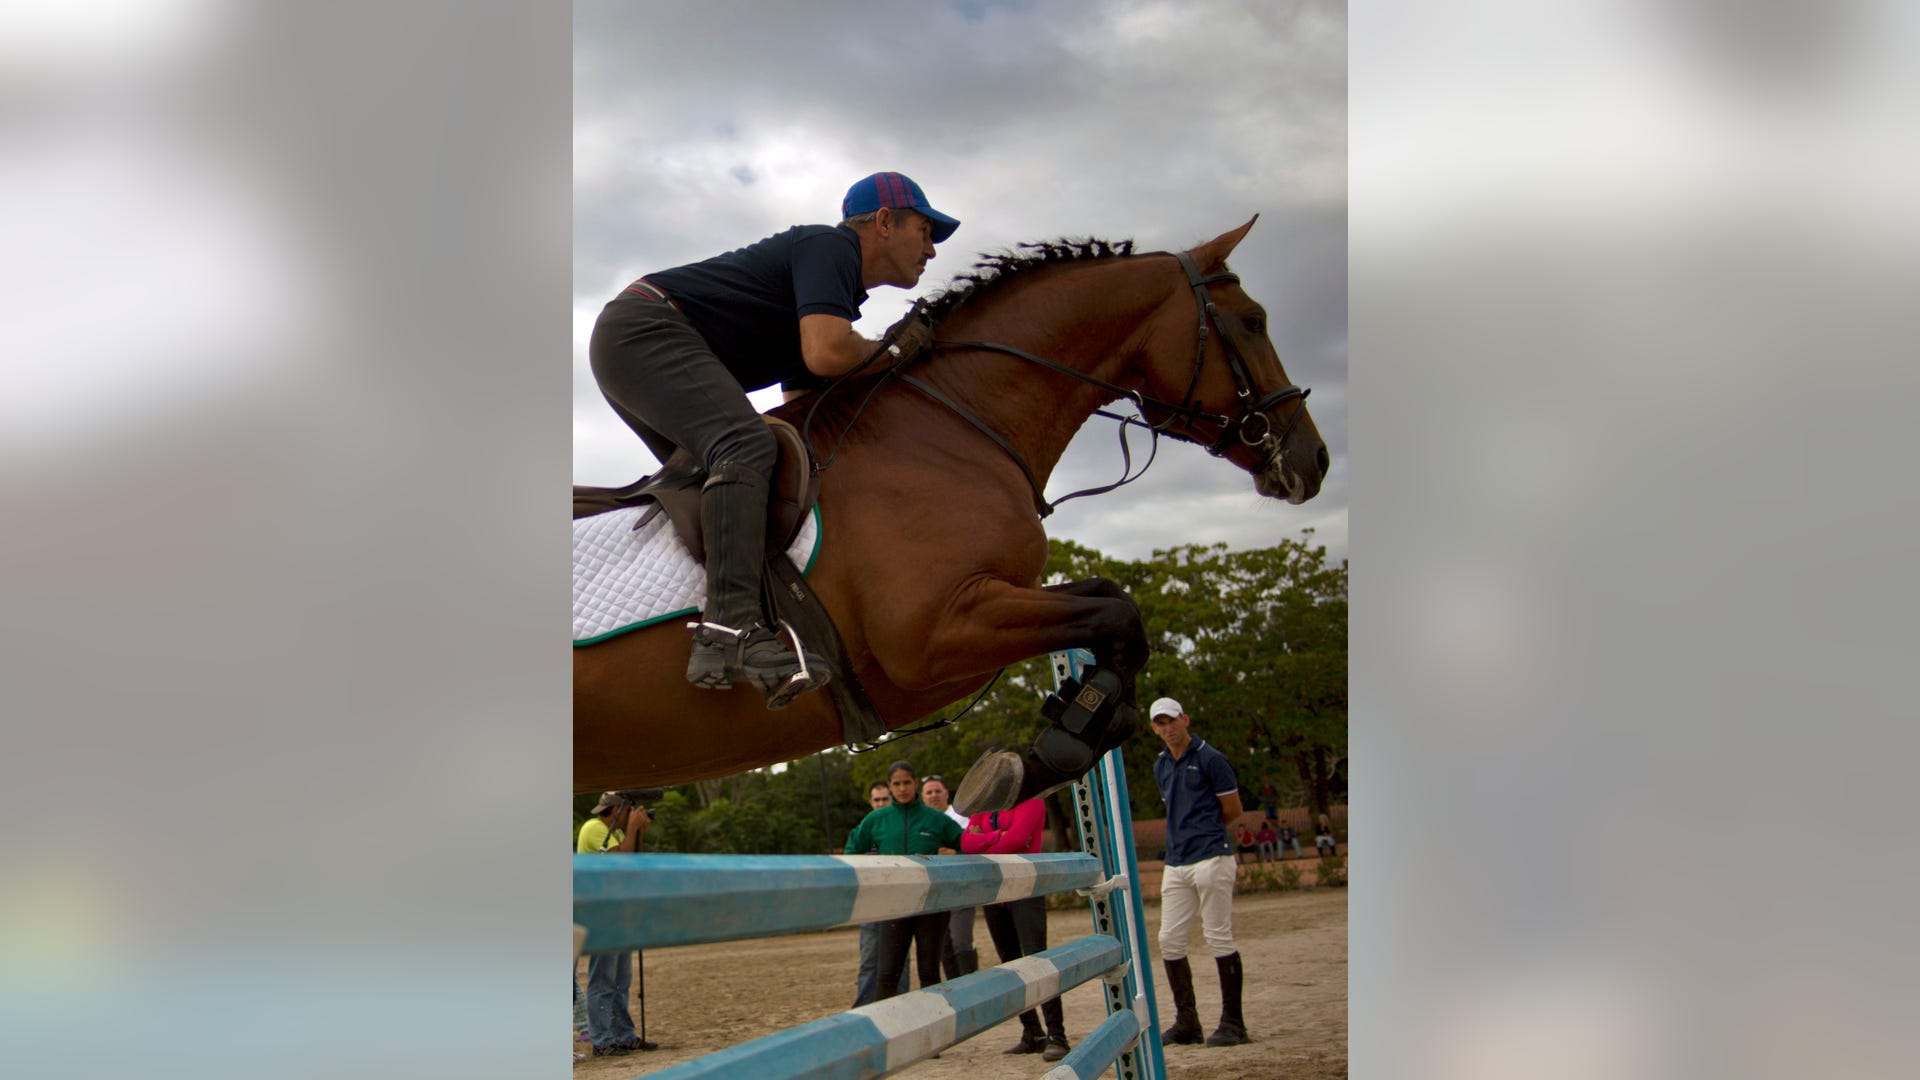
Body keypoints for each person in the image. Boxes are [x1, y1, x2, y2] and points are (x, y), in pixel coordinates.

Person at [588, 172, 959, 707]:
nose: (930, 250)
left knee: (761, 474)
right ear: (884, 222)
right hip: (644, 329)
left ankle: (720, 630)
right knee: (745, 447)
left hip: (633, 340)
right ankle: (730, 629)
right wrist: (894, 350)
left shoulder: (828, 292)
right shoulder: (829, 246)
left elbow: (804, 409)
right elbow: (828, 354)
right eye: (924, 231)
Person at [1147, 698, 1251, 1048]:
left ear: (1186, 719)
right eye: (1160, 723)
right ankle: (1187, 1022)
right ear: (1154, 729)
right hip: (1176, 862)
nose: (1168, 728)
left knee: (1218, 935)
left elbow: (1232, 809)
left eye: (1172, 721)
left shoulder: (1211, 759)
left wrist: (1205, 832)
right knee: (1169, 940)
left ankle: (1233, 1023)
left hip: (1211, 857)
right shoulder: (1161, 765)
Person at [963, 796, 1072, 1062]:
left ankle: (1057, 1034)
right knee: (1010, 962)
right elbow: (966, 844)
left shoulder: (1031, 800)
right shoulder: (985, 806)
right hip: (995, 891)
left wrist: (984, 839)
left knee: (1037, 959)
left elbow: (1018, 839)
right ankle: (1031, 1031)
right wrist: (998, 836)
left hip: (1025, 888)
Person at [841, 760, 962, 999]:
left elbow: (966, 845)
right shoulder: (877, 819)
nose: (902, 788)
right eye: (897, 784)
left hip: (931, 904)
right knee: (887, 974)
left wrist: (951, 866)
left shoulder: (936, 819)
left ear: (915, 783)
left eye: (907, 782)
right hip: (894, 904)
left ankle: (932, 1021)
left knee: (929, 973)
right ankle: (885, 1022)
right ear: (890, 786)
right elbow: (852, 850)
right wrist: (869, 881)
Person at [576, 792, 654, 1057]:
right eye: (628, 812)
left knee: (621, 980)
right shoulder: (594, 828)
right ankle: (602, 1040)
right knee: (603, 979)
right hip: (601, 913)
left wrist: (637, 832)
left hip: (618, 912)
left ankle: (623, 1035)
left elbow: (633, 864)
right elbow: (618, 860)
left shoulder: (618, 833)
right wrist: (632, 829)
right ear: (616, 811)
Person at [852, 781, 910, 1006]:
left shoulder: (901, 828)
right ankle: (864, 1009)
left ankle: (901, 1007)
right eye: (876, 800)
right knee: (869, 961)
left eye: (885, 799)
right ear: (870, 802)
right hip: (871, 905)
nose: (880, 803)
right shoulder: (865, 829)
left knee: (899, 961)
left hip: (898, 904)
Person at [920, 774, 981, 981]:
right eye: (929, 792)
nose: (934, 795)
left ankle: (970, 983)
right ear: (923, 797)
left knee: (961, 942)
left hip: (960, 888)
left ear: (947, 794)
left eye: (938, 791)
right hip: (935, 891)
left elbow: (968, 847)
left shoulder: (961, 816)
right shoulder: (921, 820)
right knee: (943, 946)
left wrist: (952, 852)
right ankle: (956, 989)